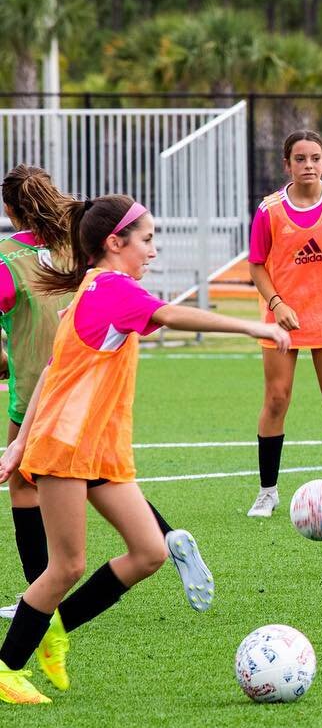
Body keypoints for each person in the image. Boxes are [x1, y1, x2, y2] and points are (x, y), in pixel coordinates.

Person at [0, 195, 290, 704]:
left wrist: (18, 441)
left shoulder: (95, 289)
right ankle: (5, 667)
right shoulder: (112, 290)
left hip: (98, 449)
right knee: (65, 566)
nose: (154, 250)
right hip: (67, 446)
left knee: (151, 551)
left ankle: (54, 629)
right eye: (148, 239)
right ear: (115, 243)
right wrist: (253, 325)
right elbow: (172, 315)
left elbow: (51, 369)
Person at [0, 167, 214, 621]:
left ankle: (38, 600)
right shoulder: (78, 248)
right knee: (97, 475)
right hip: (89, 394)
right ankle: (161, 534)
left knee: (27, 490)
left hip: (47, 393)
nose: (151, 250)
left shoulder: (9, 259)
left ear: (8, 211)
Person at [247, 130, 322, 519]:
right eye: (300, 159)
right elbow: (256, 264)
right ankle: (267, 492)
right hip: (283, 319)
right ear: (287, 165)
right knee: (277, 399)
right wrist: (276, 302)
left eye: (315, 158)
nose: (308, 166)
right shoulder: (269, 210)